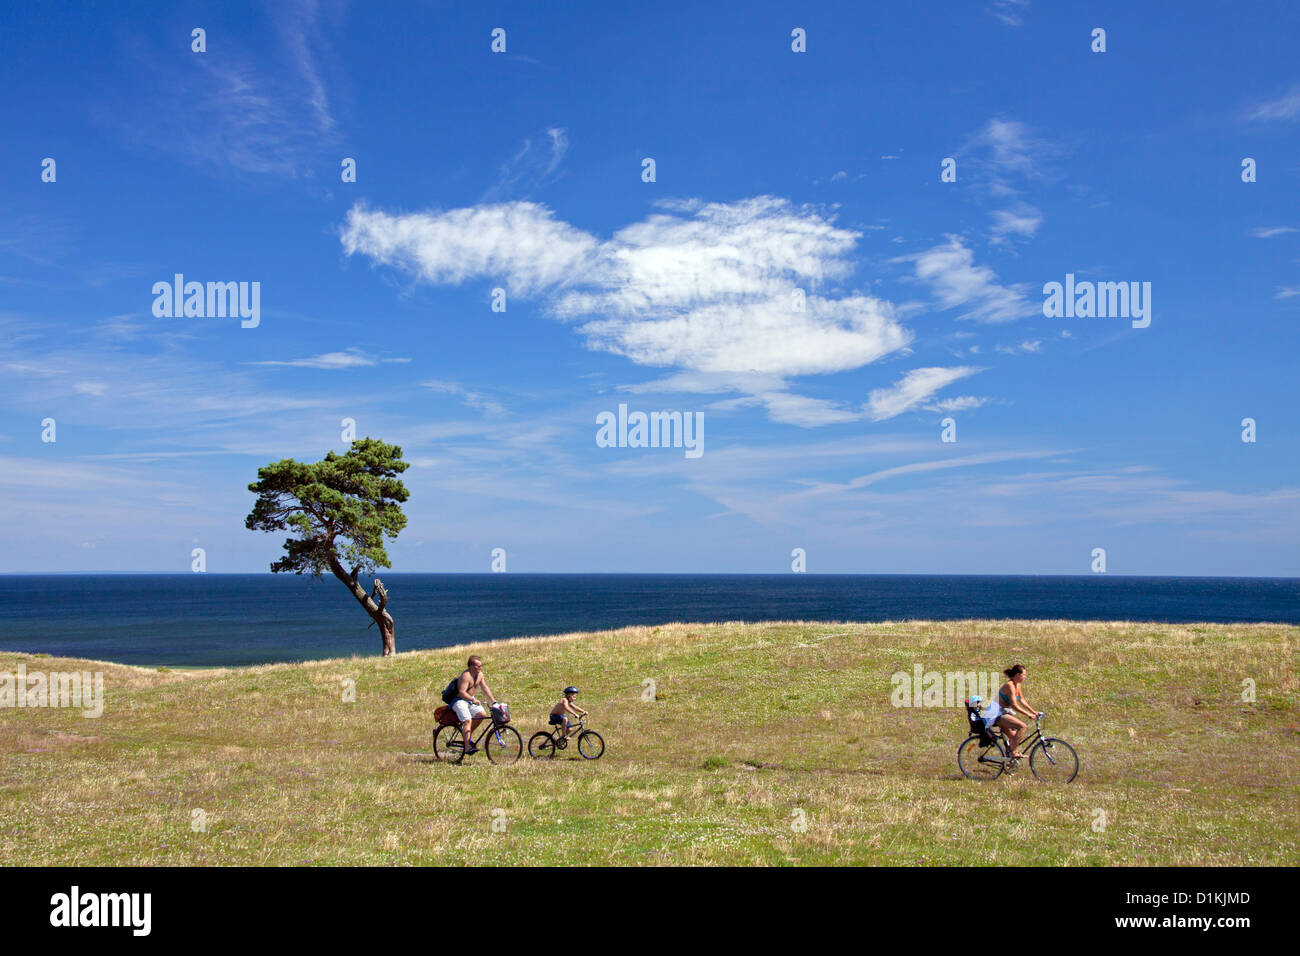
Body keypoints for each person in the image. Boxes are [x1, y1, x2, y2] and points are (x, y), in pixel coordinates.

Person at [982, 664, 1041, 759]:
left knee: (1014, 737)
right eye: (1024, 675)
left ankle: (1008, 762)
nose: (1025, 677)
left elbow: (1022, 700)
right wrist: (1028, 714)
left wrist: (1034, 712)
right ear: (1018, 675)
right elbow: (1014, 705)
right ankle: (1013, 752)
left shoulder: (1017, 685)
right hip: (995, 714)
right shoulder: (1010, 686)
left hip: (1003, 712)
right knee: (1022, 727)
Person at [448, 655, 497, 755]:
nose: (480, 668)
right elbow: (461, 692)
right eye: (478, 666)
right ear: (471, 666)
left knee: (482, 715)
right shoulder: (466, 676)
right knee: (468, 720)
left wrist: (494, 701)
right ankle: (467, 747)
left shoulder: (480, 675)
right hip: (459, 700)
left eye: (481, 666)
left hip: (469, 700)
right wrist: (473, 699)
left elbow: (485, 688)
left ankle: (467, 736)